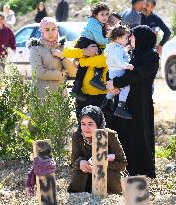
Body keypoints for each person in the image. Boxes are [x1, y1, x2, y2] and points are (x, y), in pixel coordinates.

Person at [106, 25, 159, 178]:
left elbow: (137, 76)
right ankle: (122, 169)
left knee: (137, 135)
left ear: (141, 38)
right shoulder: (134, 54)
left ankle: (140, 171)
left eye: (133, 36)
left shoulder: (151, 56)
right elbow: (117, 68)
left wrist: (115, 82)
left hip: (139, 103)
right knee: (121, 133)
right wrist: (112, 83)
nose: (130, 38)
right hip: (124, 101)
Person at [67, 105, 127, 194]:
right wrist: (80, 163)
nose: (86, 128)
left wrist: (101, 163)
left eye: (90, 124)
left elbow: (122, 164)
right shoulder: (77, 136)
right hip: (86, 176)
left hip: (107, 177)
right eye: (83, 124)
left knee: (110, 178)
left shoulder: (110, 135)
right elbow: (73, 161)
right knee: (78, 175)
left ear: (98, 123)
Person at [71, 2, 110, 101]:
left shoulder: (97, 23)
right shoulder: (95, 24)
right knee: (98, 55)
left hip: (86, 42)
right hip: (86, 42)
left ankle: (76, 88)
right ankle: (95, 78)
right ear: (96, 15)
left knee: (83, 66)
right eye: (102, 14)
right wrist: (111, 40)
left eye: (107, 14)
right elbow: (100, 40)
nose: (105, 17)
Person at [27, 17, 66, 99]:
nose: (51, 33)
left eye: (53, 29)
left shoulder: (62, 47)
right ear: (42, 30)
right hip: (41, 94)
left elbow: (72, 71)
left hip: (60, 95)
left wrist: (62, 56)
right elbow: (39, 72)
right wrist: (61, 74)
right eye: (47, 29)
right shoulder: (35, 47)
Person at [102, 26, 133, 120]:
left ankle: (106, 103)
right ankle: (120, 108)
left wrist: (126, 50)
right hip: (118, 71)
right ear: (118, 38)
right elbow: (119, 61)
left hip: (113, 71)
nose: (127, 40)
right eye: (126, 38)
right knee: (126, 87)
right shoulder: (117, 49)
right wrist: (127, 65)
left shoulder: (114, 47)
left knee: (115, 88)